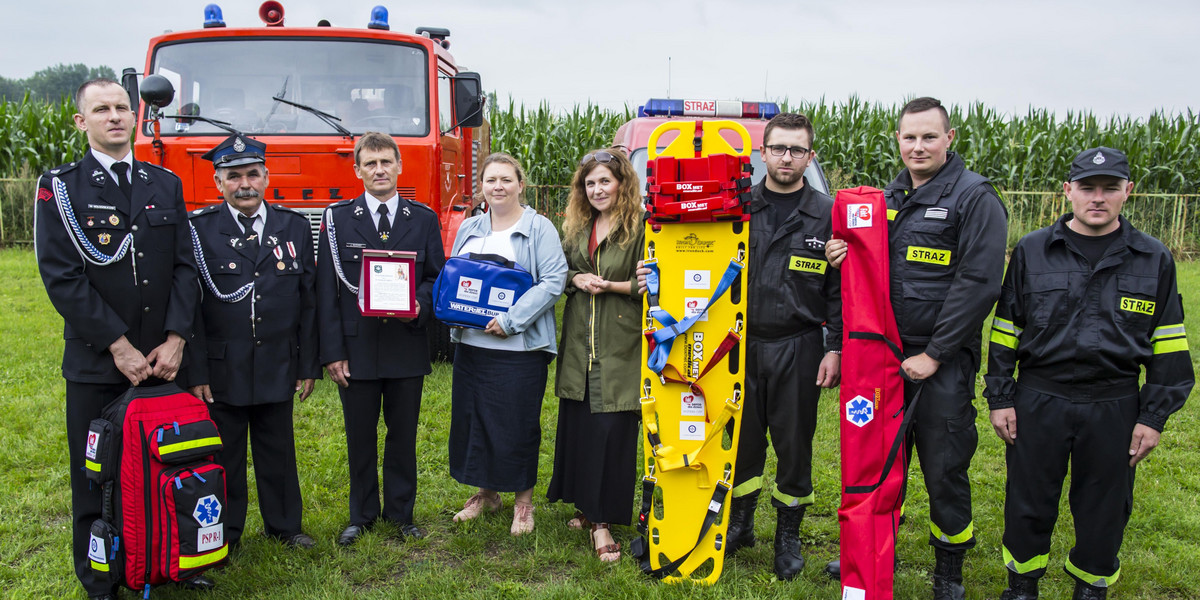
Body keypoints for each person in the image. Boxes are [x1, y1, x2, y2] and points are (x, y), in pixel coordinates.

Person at [984, 147, 1193, 600]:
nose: (1097, 198)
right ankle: (1021, 585)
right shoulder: (1032, 250)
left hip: (1115, 403)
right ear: (1068, 191)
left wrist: (1153, 416)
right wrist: (1000, 398)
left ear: (1127, 192)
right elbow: (1005, 332)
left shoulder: (1153, 257)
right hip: (1039, 398)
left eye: (1110, 188)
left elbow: (1170, 346)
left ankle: (1091, 588)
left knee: (1105, 509)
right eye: (1087, 188)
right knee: (1028, 502)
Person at [826, 96, 1008, 599]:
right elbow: (871, 267)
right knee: (879, 460)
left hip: (939, 362)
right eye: (910, 137)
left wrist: (934, 356)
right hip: (884, 359)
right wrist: (843, 253)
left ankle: (949, 569)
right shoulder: (889, 197)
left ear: (950, 139)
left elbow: (978, 284)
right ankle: (869, 551)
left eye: (930, 136)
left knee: (944, 466)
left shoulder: (975, 198)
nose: (919, 146)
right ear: (898, 141)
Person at [34, 78, 202, 598]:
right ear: (82, 122)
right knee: (95, 475)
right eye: (101, 109)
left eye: (122, 108)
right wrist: (118, 345)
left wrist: (175, 340)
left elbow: (184, 268)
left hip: (160, 363)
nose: (115, 117)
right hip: (99, 362)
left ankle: (161, 560)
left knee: (163, 466)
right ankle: (101, 578)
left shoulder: (164, 183)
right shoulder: (60, 187)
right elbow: (62, 276)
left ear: (136, 118)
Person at [184, 134, 319, 550]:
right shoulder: (200, 229)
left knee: (277, 448)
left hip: (278, 360)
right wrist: (197, 370)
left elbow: (308, 301)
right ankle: (226, 533)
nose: (245, 183)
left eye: (252, 174)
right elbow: (190, 309)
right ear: (218, 181)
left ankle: (285, 526)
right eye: (234, 176)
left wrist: (307, 365)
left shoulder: (293, 225)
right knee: (224, 455)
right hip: (223, 366)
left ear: (266, 177)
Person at [317, 131, 445, 546]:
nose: (379, 170)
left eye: (385, 162)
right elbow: (326, 292)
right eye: (370, 164)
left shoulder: (422, 220)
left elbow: (434, 278)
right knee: (360, 436)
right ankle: (362, 515)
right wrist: (332, 352)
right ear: (357, 170)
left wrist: (419, 307)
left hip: (405, 344)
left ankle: (401, 515)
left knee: (403, 435)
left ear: (399, 166)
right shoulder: (336, 220)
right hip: (356, 349)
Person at [447, 153, 567, 535]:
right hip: (473, 345)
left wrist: (511, 320)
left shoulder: (540, 227)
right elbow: (456, 276)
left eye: (506, 179)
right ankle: (487, 493)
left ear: (521, 184)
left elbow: (554, 280)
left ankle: (523, 503)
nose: (498, 186)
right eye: (490, 180)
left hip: (519, 349)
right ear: (481, 186)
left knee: (517, 424)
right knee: (477, 421)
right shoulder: (470, 227)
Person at [546, 149, 645, 562]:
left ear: (621, 182)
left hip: (619, 342)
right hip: (578, 345)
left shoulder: (640, 226)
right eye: (590, 183)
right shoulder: (577, 225)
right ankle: (586, 509)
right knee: (582, 428)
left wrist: (610, 286)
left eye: (605, 181)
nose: (597, 189)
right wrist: (575, 276)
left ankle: (603, 523)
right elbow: (559, 270)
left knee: (611, 431)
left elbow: (652, 283)